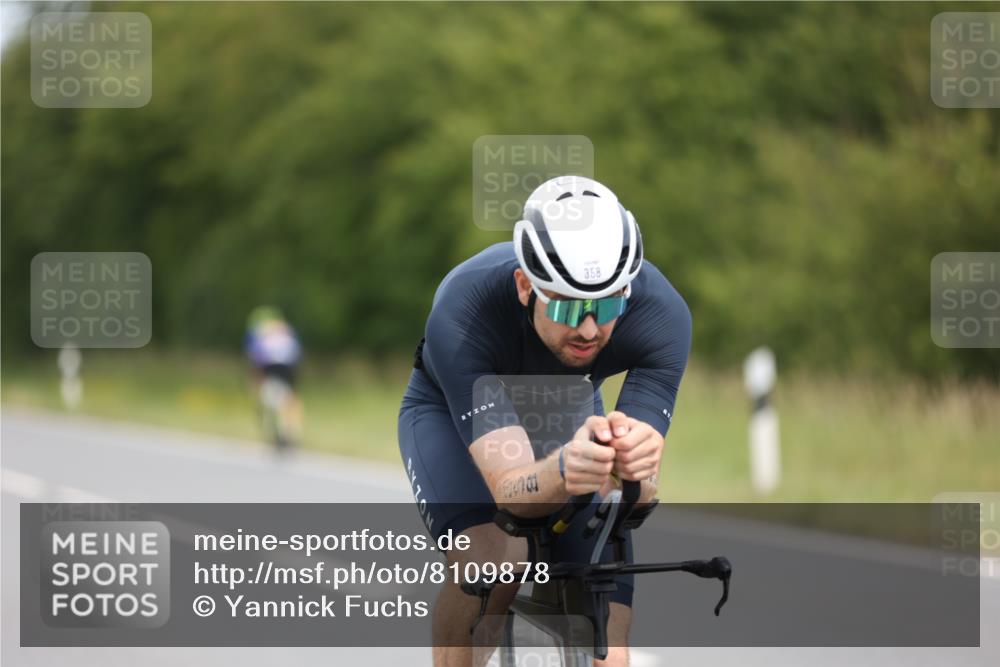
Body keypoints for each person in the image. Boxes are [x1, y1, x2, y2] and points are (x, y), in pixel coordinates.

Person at [398, 175, 692, 667]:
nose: (589, 328)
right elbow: (511, 491)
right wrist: (562, 472)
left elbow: (637, 494)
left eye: (607, 305)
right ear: (524, 286)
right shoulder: (464, 311)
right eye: (568, 305)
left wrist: (639, 472)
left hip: (570, 410)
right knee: (494, 562)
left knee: (610, 655)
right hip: (451, 414)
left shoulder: (662, 316)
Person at [245, 306, 303, 448]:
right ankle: (289, 432)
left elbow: (256, 360)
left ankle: (280, 432)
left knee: (272, 398)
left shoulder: (259, 333)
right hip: (287, 364)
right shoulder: (287, 331)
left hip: (271, 365)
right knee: (289, 400)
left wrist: (255, 381)